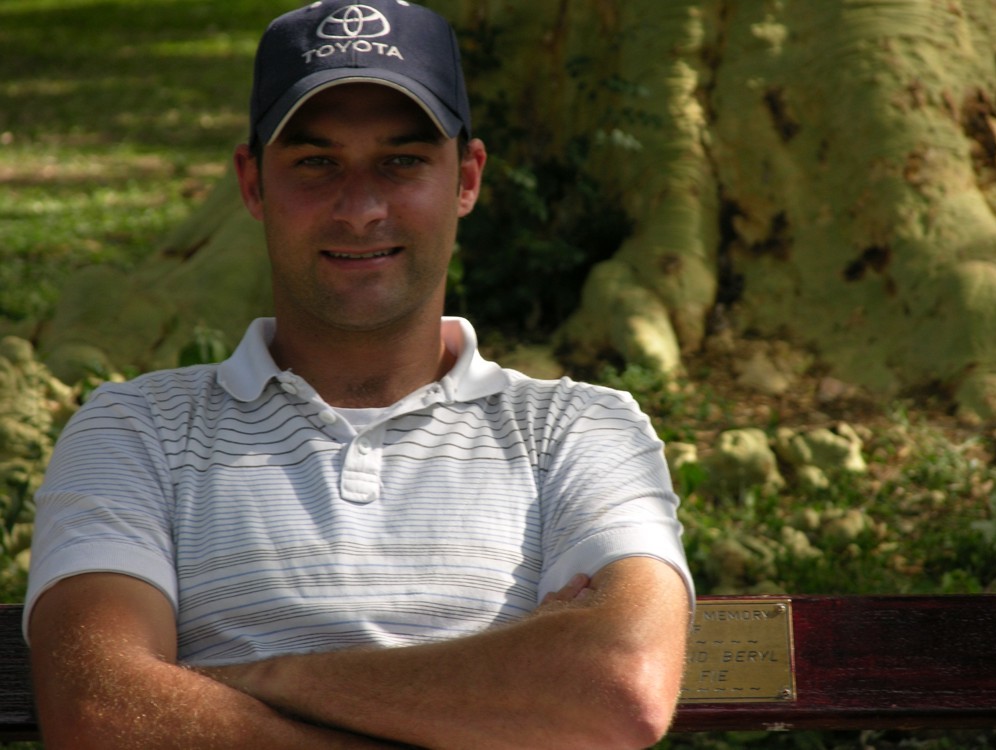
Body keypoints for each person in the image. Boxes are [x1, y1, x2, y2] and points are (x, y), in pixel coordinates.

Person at [24, 1, 694, 748]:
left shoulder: (581, 429)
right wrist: (505, 682)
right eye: (316, 163)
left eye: (402, 162)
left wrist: (260, 677)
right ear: (253, 183)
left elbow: (620, 685)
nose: (361, 209)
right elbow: (100, 711)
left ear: (467, 178)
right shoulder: (135, 430)